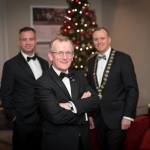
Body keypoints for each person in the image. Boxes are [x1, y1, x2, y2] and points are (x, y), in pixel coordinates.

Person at [34, 35, 101, 150]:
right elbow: (56, 116)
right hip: (59, 143)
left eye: (68, 53)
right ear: (50, 56)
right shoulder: (42, 83)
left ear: (73, 55)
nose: (65, 57)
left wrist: (70, 105)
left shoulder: (79, 76)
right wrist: (84, 113)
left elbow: (95, 100)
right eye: (60, 53)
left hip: (84, 142)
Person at [87, 27, 139, 150]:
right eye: (96, 39)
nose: (99, 41)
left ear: (109, 40)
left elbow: (132, 89)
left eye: (102, 38)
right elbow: (90, 90)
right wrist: (90, 115)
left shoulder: (123, 59)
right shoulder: (91, 61)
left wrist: (128, 116)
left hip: (118, 118)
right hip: (98, 117)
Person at [0, 27, 49, 150]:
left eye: (31, 39)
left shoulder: (44, 63)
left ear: (35, 41)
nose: (28, 42)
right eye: (24, 39)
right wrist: (13, 116)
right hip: (22, 121)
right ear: (19, 42)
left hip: (44, 119)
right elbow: (5, 93)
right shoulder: (10, 65)